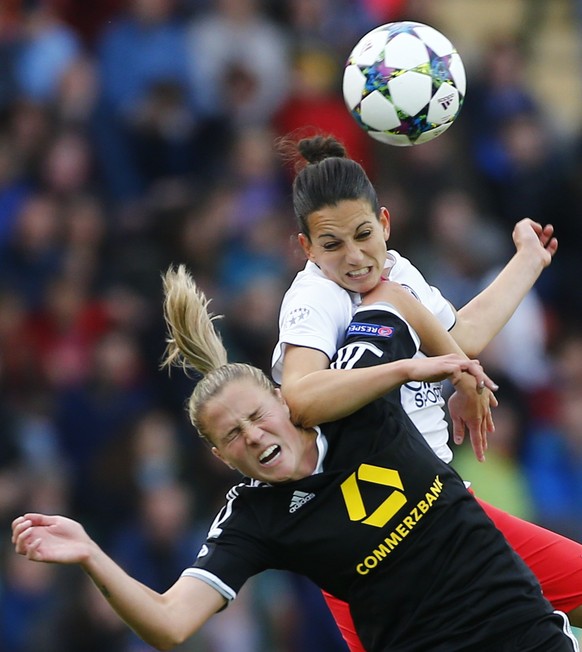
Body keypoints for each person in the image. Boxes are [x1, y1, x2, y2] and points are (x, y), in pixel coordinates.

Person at [11, 265, 579, 651]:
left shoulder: (351, 398)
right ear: (219, 457)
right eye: (233, 436)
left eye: (257, 416)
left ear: (286, 401)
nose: (253, 436)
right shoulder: (253, 519)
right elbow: (169, 624)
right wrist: (90, 555)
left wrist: (457, 371)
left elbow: (390, 297)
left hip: (524, 633)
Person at [271, 134, 582, 649]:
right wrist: (410, 372)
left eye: (364, 234)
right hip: (368, 532)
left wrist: (527, 260)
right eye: (331, 245)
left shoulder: (397, 273)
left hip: (439, 509)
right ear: (306, 248)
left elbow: (457, 339)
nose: (354, 256)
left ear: (385, 223)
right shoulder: (314, 299)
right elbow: (300, 397)